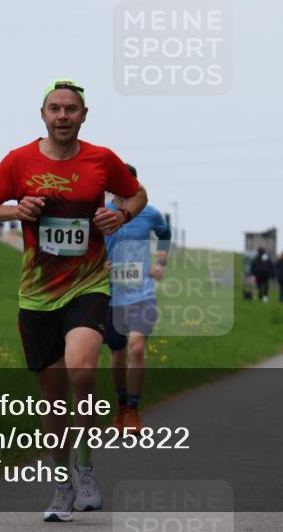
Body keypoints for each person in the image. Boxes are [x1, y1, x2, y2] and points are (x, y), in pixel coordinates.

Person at [0, 79, 148, 522]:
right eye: (55, 108)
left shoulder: (102, 159)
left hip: (88, 284)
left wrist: (121, 212)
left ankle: (85, 465)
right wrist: (16, 210)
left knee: (83, 368)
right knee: (52, 399)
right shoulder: (19, 161)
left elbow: (138, 194)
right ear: (44, 115)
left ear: (84, 115)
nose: (63, 115)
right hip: (37, 293)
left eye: (72, 108)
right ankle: (61, 483)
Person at [103, 163, 171, 434]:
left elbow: (165, 234)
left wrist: (161, 262)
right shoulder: (101, 215)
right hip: (110, 295)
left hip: (142, 292)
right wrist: (99, 265)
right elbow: (87, 247)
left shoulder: (149, 214)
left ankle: (133, 409)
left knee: (137, 348)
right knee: (117, 353)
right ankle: (121, 404)